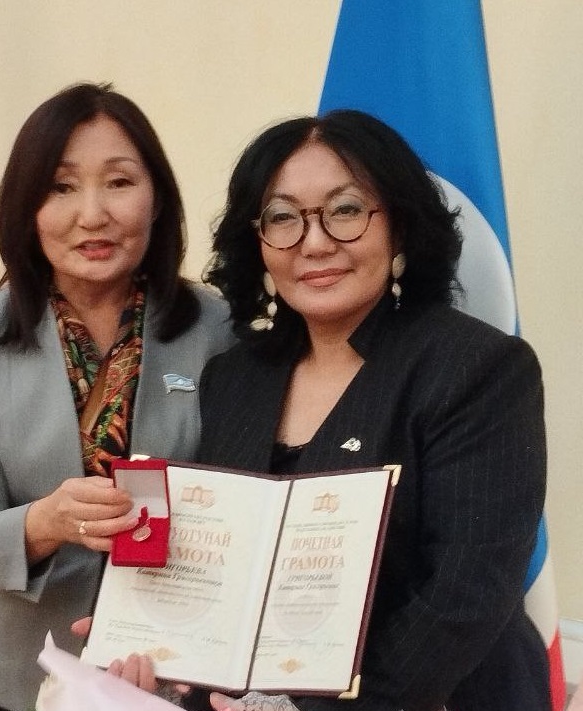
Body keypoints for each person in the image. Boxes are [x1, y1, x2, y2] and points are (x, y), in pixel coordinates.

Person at [185, 110, 548, 711]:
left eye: (346, 209)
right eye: (282, 217)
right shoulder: (233, 378)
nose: (315, 242)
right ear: (258, 241)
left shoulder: (476, 368)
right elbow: (224, 566)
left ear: (398, 226)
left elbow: (467, 591)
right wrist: (163, 651)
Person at [0, 82, 233, 711]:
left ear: (156, 198)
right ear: (26, 206)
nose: (92, 214)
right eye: (61, 187)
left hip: (176, 673)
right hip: (20, 680)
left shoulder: (216, 327)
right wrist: (47, 522)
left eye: (118, 182)